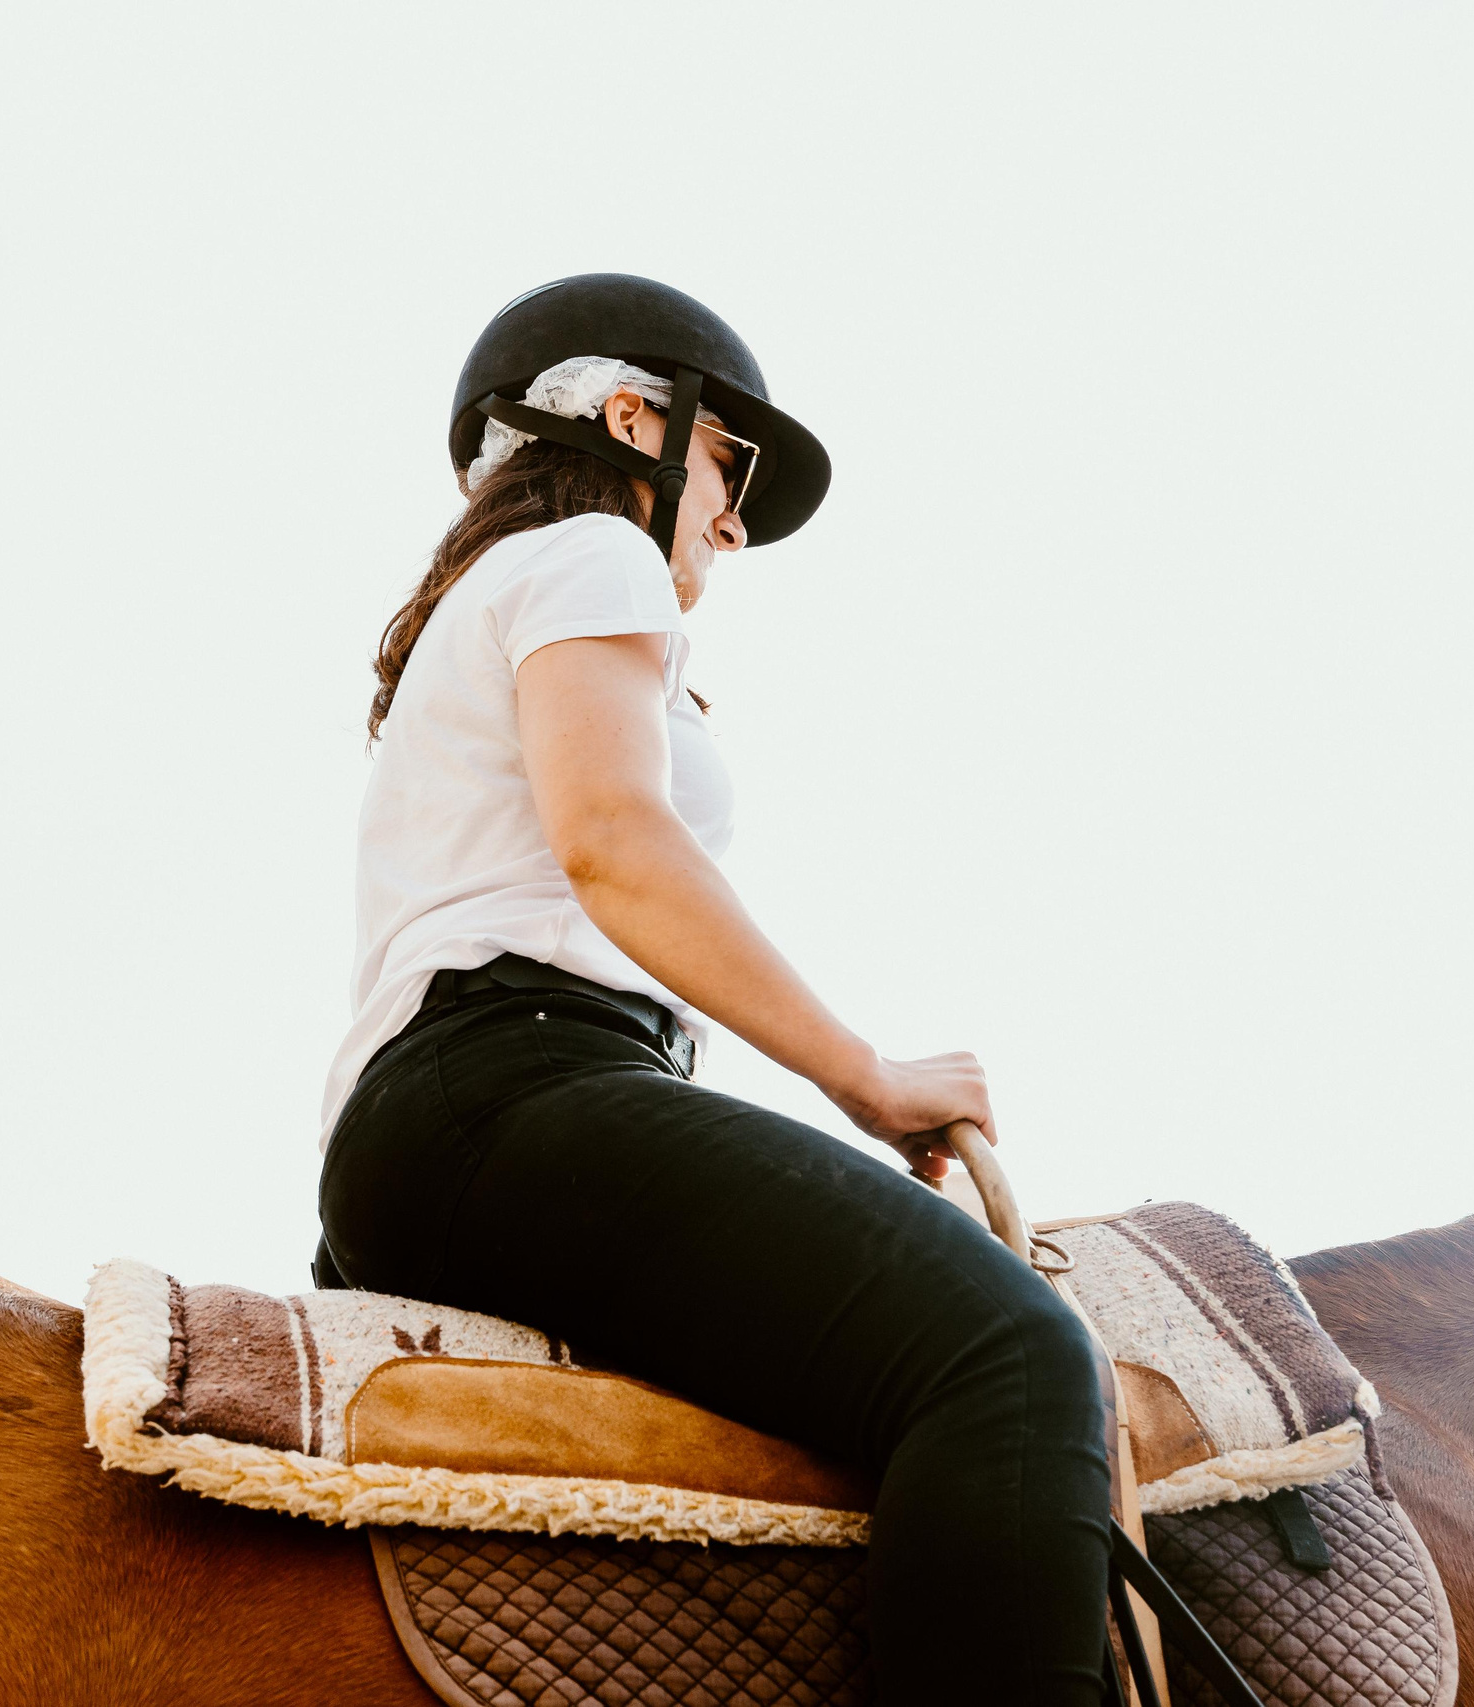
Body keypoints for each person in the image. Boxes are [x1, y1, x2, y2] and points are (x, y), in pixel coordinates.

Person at [316, 274, 1114, 1704]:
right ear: (634, 415)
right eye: (728, 466)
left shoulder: (491, 597)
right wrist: (865, 1076)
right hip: (518, 1082)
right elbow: (616, 843)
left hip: (447, 1117)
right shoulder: (592, 557)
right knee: (1008, 1351)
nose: (735, 520)